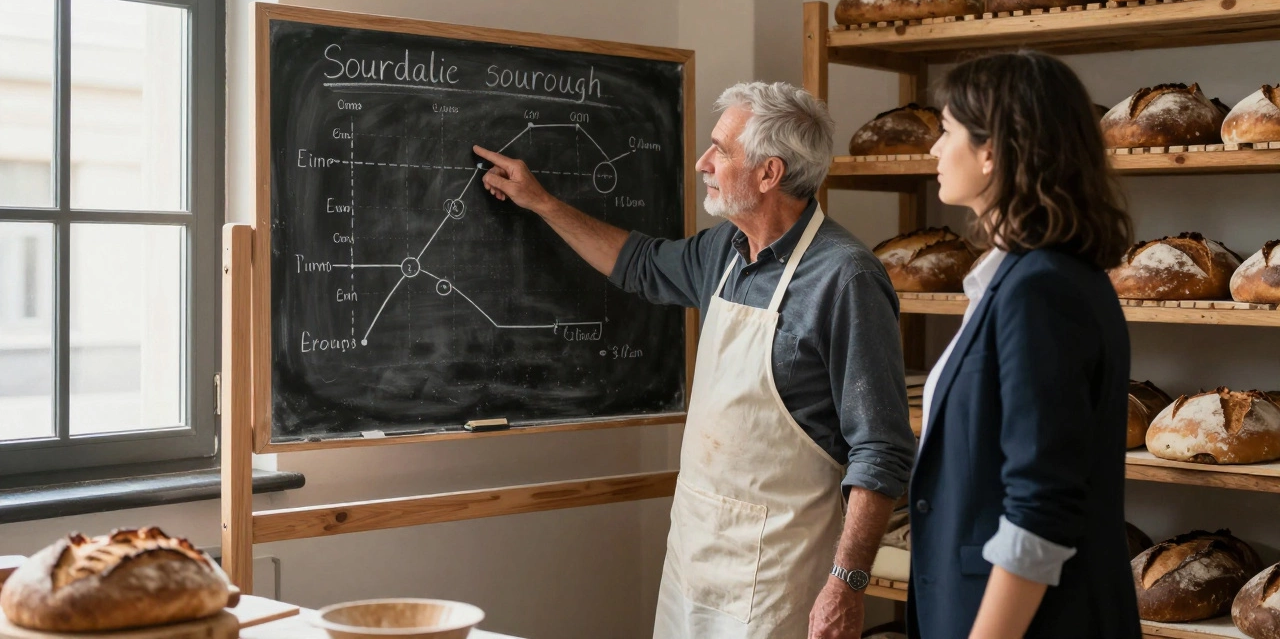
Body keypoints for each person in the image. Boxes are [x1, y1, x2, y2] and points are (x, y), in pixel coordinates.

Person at [474, 81, 915, 638]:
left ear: (768, 173)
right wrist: (541, 202)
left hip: (781, 576)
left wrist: (847, 583)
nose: (704, 162)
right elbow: (637, 263)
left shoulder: (845, 279)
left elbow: (881, 449)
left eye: (720, 150)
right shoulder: (721, 253)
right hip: (695, 556)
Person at [907, 50, 1140, 639]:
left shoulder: (1042, 290)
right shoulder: (1027, 279)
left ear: (992, 150)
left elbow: (1040, 508)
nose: (935, 149)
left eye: (948, 131)